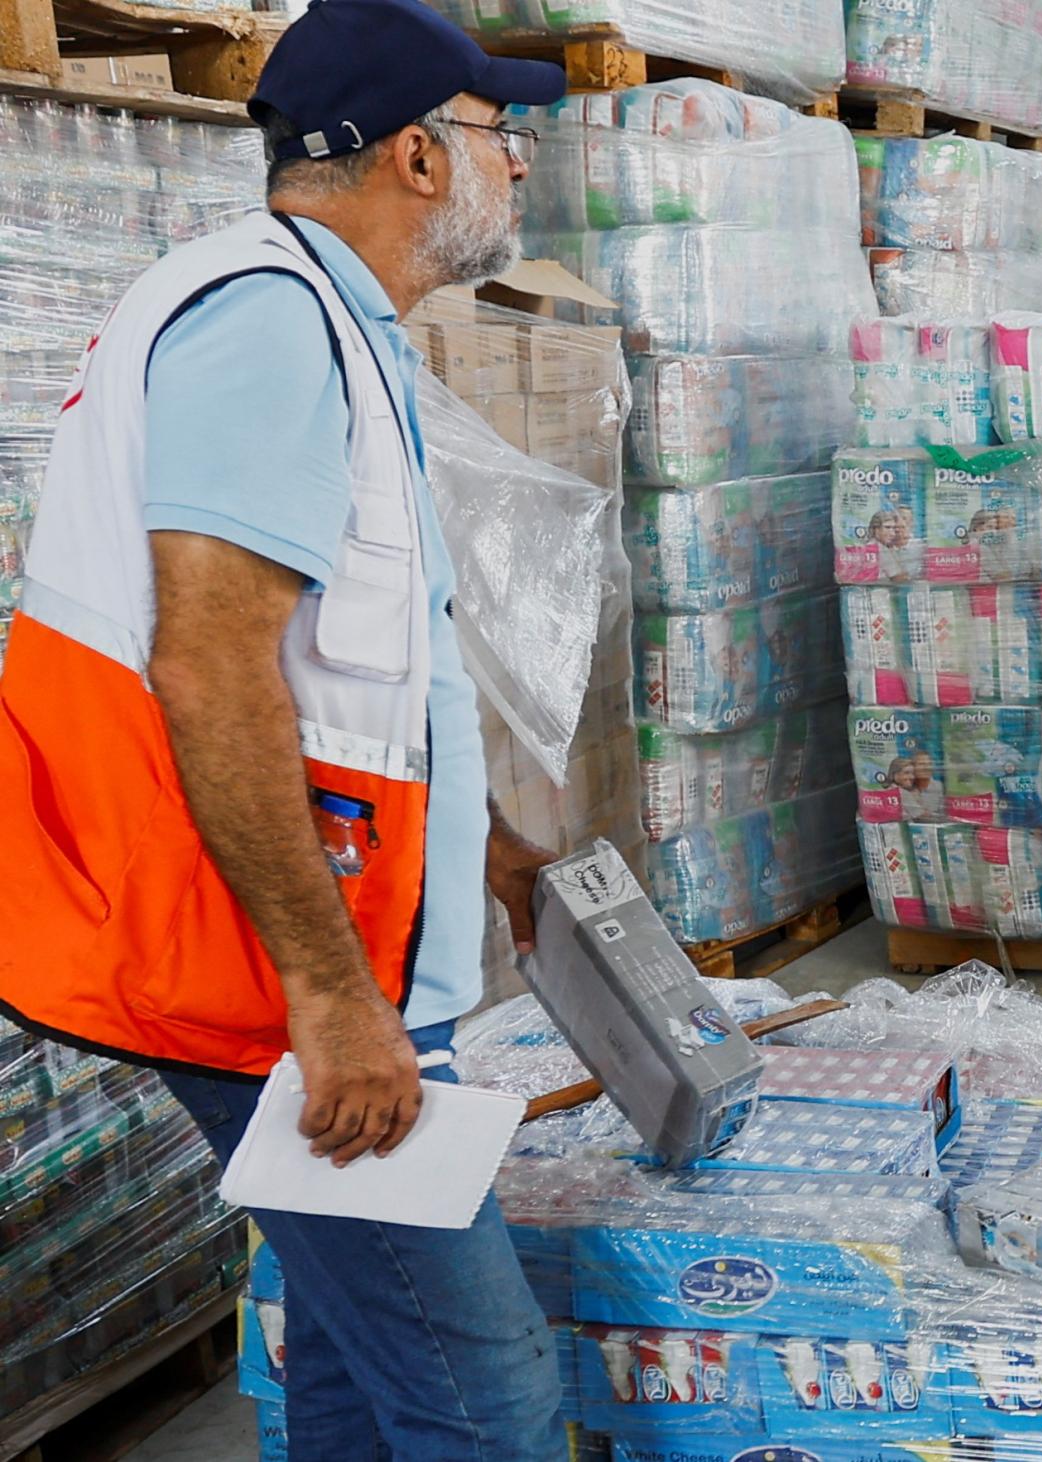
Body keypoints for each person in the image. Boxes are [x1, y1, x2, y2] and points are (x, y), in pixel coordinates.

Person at [0, 3, 574, 1456]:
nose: (523, 167)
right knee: (486, 1398)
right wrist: (330, 1002)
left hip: (316, 950)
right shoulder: (266, 322)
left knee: (344, 1354)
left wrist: (478, 839)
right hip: (275, 975)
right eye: (503, 135)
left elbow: (345, 666)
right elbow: (208, 664)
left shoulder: (325, 316)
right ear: (419, 160)